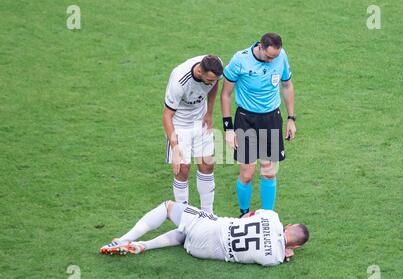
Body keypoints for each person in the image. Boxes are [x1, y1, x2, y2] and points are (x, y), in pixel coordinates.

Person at [220, 32, 297, 216]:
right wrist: (228, 128)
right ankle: (244, 215)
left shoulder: (281, 56)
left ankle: (268, 217)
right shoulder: (240, 60)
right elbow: (225, 95)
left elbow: (287, 85)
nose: (272, 61)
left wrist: (291, 118)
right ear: (260, 47)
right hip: (246, 119)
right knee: (247, 174)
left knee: (269, 172)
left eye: (275, 57)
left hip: (271, 119)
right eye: (269, 56)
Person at [99, 201, 309, 267]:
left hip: (212, 229)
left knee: (168, 207)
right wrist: (286, 252)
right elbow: (282, 253)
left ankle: (124, 239)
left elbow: (247, 217)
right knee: (184, 235)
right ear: (296, 246)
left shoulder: (272, 217)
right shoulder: (274, 259)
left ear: (288, 225)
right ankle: (145, 246)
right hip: (204, 252)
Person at [163, 55, 223, 213]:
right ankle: (183, 218)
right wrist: (175, 148)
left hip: (200, 121)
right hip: (180, 125)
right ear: (199, 72)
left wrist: (209, 112)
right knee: (182, 169)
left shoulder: (216, 68)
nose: (211, 83)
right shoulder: (179, 81)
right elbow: (167, 116)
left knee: (207, 165)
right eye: (209, 80)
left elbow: (215, 85)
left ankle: (208, 215)